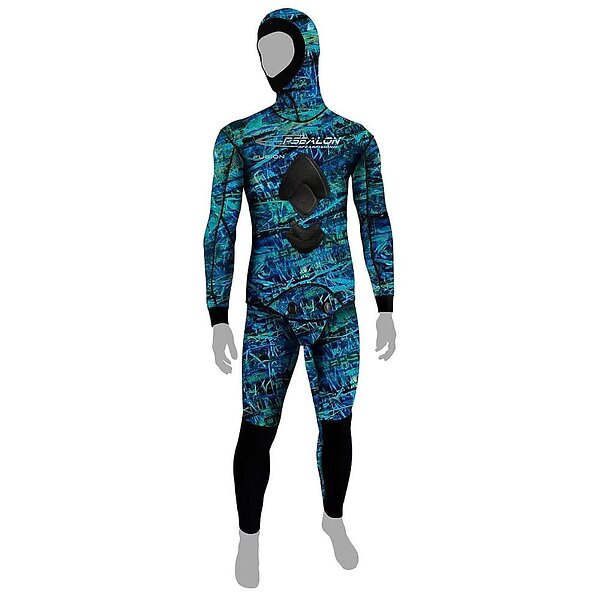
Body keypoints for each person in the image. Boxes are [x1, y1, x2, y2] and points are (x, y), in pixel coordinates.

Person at [203, 8, 396, 587]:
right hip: (269, 311)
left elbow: (376, 221)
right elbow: (220, 227)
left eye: (278, 48)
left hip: (336, 309)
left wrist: (387, 302)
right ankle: (248, 538)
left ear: (307, 51)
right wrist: (217, 313)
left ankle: (333, 520)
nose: (266, 60)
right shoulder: (240, 138)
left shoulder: (354, 139)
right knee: (256, 426)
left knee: (337, 424)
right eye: (261, 50)